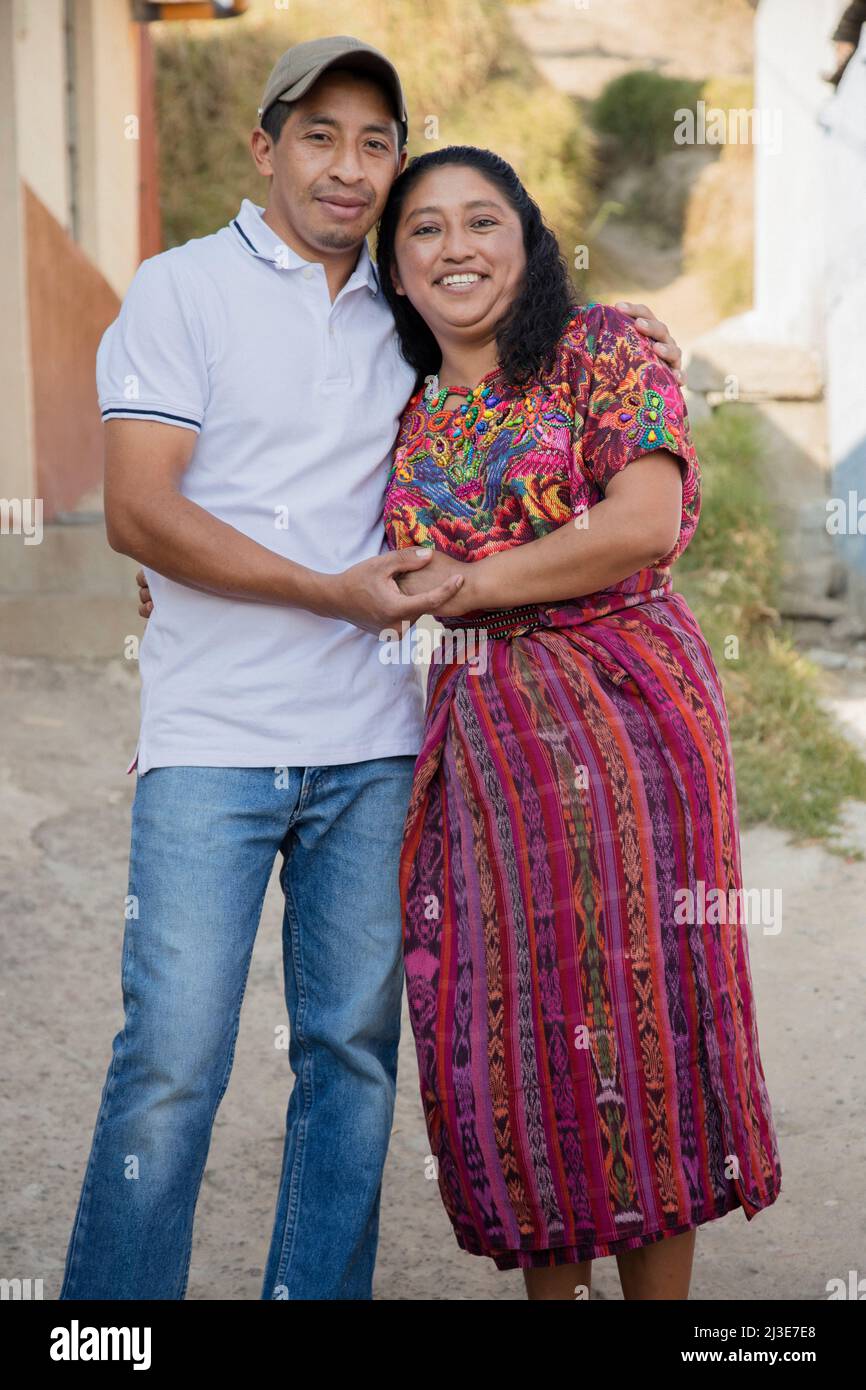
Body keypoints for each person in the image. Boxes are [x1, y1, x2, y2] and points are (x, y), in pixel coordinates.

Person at [61, 36, 682, 1301]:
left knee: (349, 1054)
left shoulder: (404, 319)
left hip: (380, 742)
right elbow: (138, 512)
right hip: (212, 736)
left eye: (374, 142)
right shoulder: (179, 290)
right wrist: (319, 593)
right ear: (264, 146)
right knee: (173, 1057)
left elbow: (515, 339)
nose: (348, 168)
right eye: (319, 136)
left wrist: (632, 333)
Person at [376, 145, 783, 1300]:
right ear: (396, 272)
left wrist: (465, 583)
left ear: (528, 239)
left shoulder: (599, 349)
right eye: (424, 230)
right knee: (515, 1017)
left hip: (632, 722)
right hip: (485, 746)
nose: (455, 246)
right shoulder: (400, 406)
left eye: (482, 221)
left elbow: (637, 524)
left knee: (642, 1003)